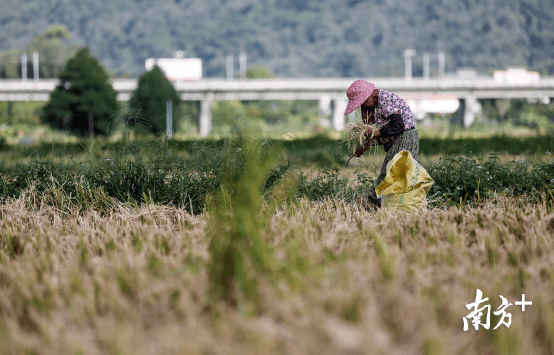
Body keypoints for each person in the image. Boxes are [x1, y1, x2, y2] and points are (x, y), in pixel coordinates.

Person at [344, 79, 420, 200]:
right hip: (400, 139)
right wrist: (362, 148)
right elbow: (382, 134)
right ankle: (387, 205)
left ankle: (381, 204)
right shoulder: (378, 104)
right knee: (394, 175)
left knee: (390, 175)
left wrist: (374, 132)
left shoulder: (384, 100)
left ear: (368, 98)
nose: (362, 108)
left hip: (405, 138)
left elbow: (398, 126)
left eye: (362, 105)